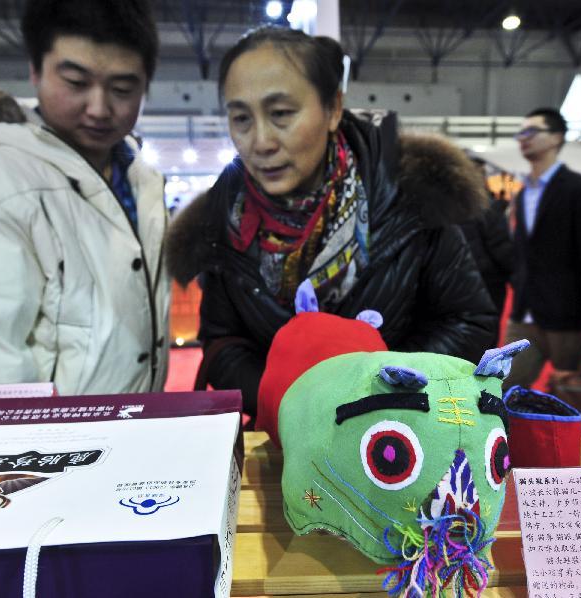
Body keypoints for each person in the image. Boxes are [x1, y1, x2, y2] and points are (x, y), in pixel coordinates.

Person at [166, 26, 497, 417]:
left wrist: (377, 388)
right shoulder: (226, 221)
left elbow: (469, 322)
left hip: (398, 439)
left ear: (333, 109)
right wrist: (284, 399)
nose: (260, 141)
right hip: (286, 442)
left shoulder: (409, 196)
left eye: (281, 114)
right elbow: (224, 343)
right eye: (241, 118)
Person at [0, 0, 170, 395]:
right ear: (35, 70)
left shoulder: (140, 179)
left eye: (122, 88)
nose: (100, 108)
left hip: (130, 432)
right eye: (76, 83)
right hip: (47, 450)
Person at [503, 108, 581, 390]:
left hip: (567, 318)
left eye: (531, 131)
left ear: (555, 138)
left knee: (570, 396)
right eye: (521, 133)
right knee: (501, 388)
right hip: (523, 314)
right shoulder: (525, 192)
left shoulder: (580, 190)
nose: (523, 138)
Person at [459, 157, 513, 342]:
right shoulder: (486, 206)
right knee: (485, 337)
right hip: (488, 283)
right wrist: (516, 276)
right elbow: (501, 247)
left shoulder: (447, 204)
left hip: (457, 280)